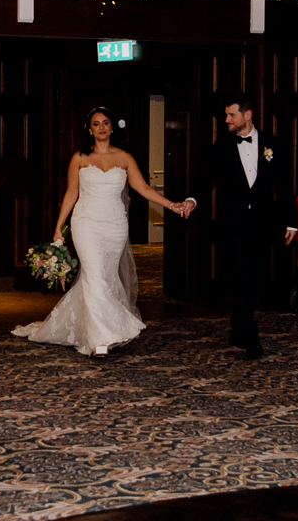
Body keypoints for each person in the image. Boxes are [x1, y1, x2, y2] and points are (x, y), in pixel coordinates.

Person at [14, 107, 183, 357]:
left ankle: (86, 327)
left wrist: (171, 205)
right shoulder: (80, 158)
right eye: (96, 124)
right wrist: (58, 227)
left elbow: (143, 189)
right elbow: (71, 193)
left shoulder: (125, 157)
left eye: (106, 123)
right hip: (86, 224)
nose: (102, 127)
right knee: (94, 276)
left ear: (112, 127)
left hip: (115, 226)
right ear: (89, 129)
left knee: (104, 278)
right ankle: (100, 340)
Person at [177, 94, 298, 360]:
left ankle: (236, 326)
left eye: (231, 114)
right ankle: (250, 337)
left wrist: (292, 221)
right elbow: (204, 177)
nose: (227, 119)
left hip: (264, 223)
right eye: (226, 115)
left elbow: (284, 185)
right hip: (234, 224)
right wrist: (191, 200)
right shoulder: (221, 146)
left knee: (252, 277)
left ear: (248, 114)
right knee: (244, 275)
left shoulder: (272, 144)